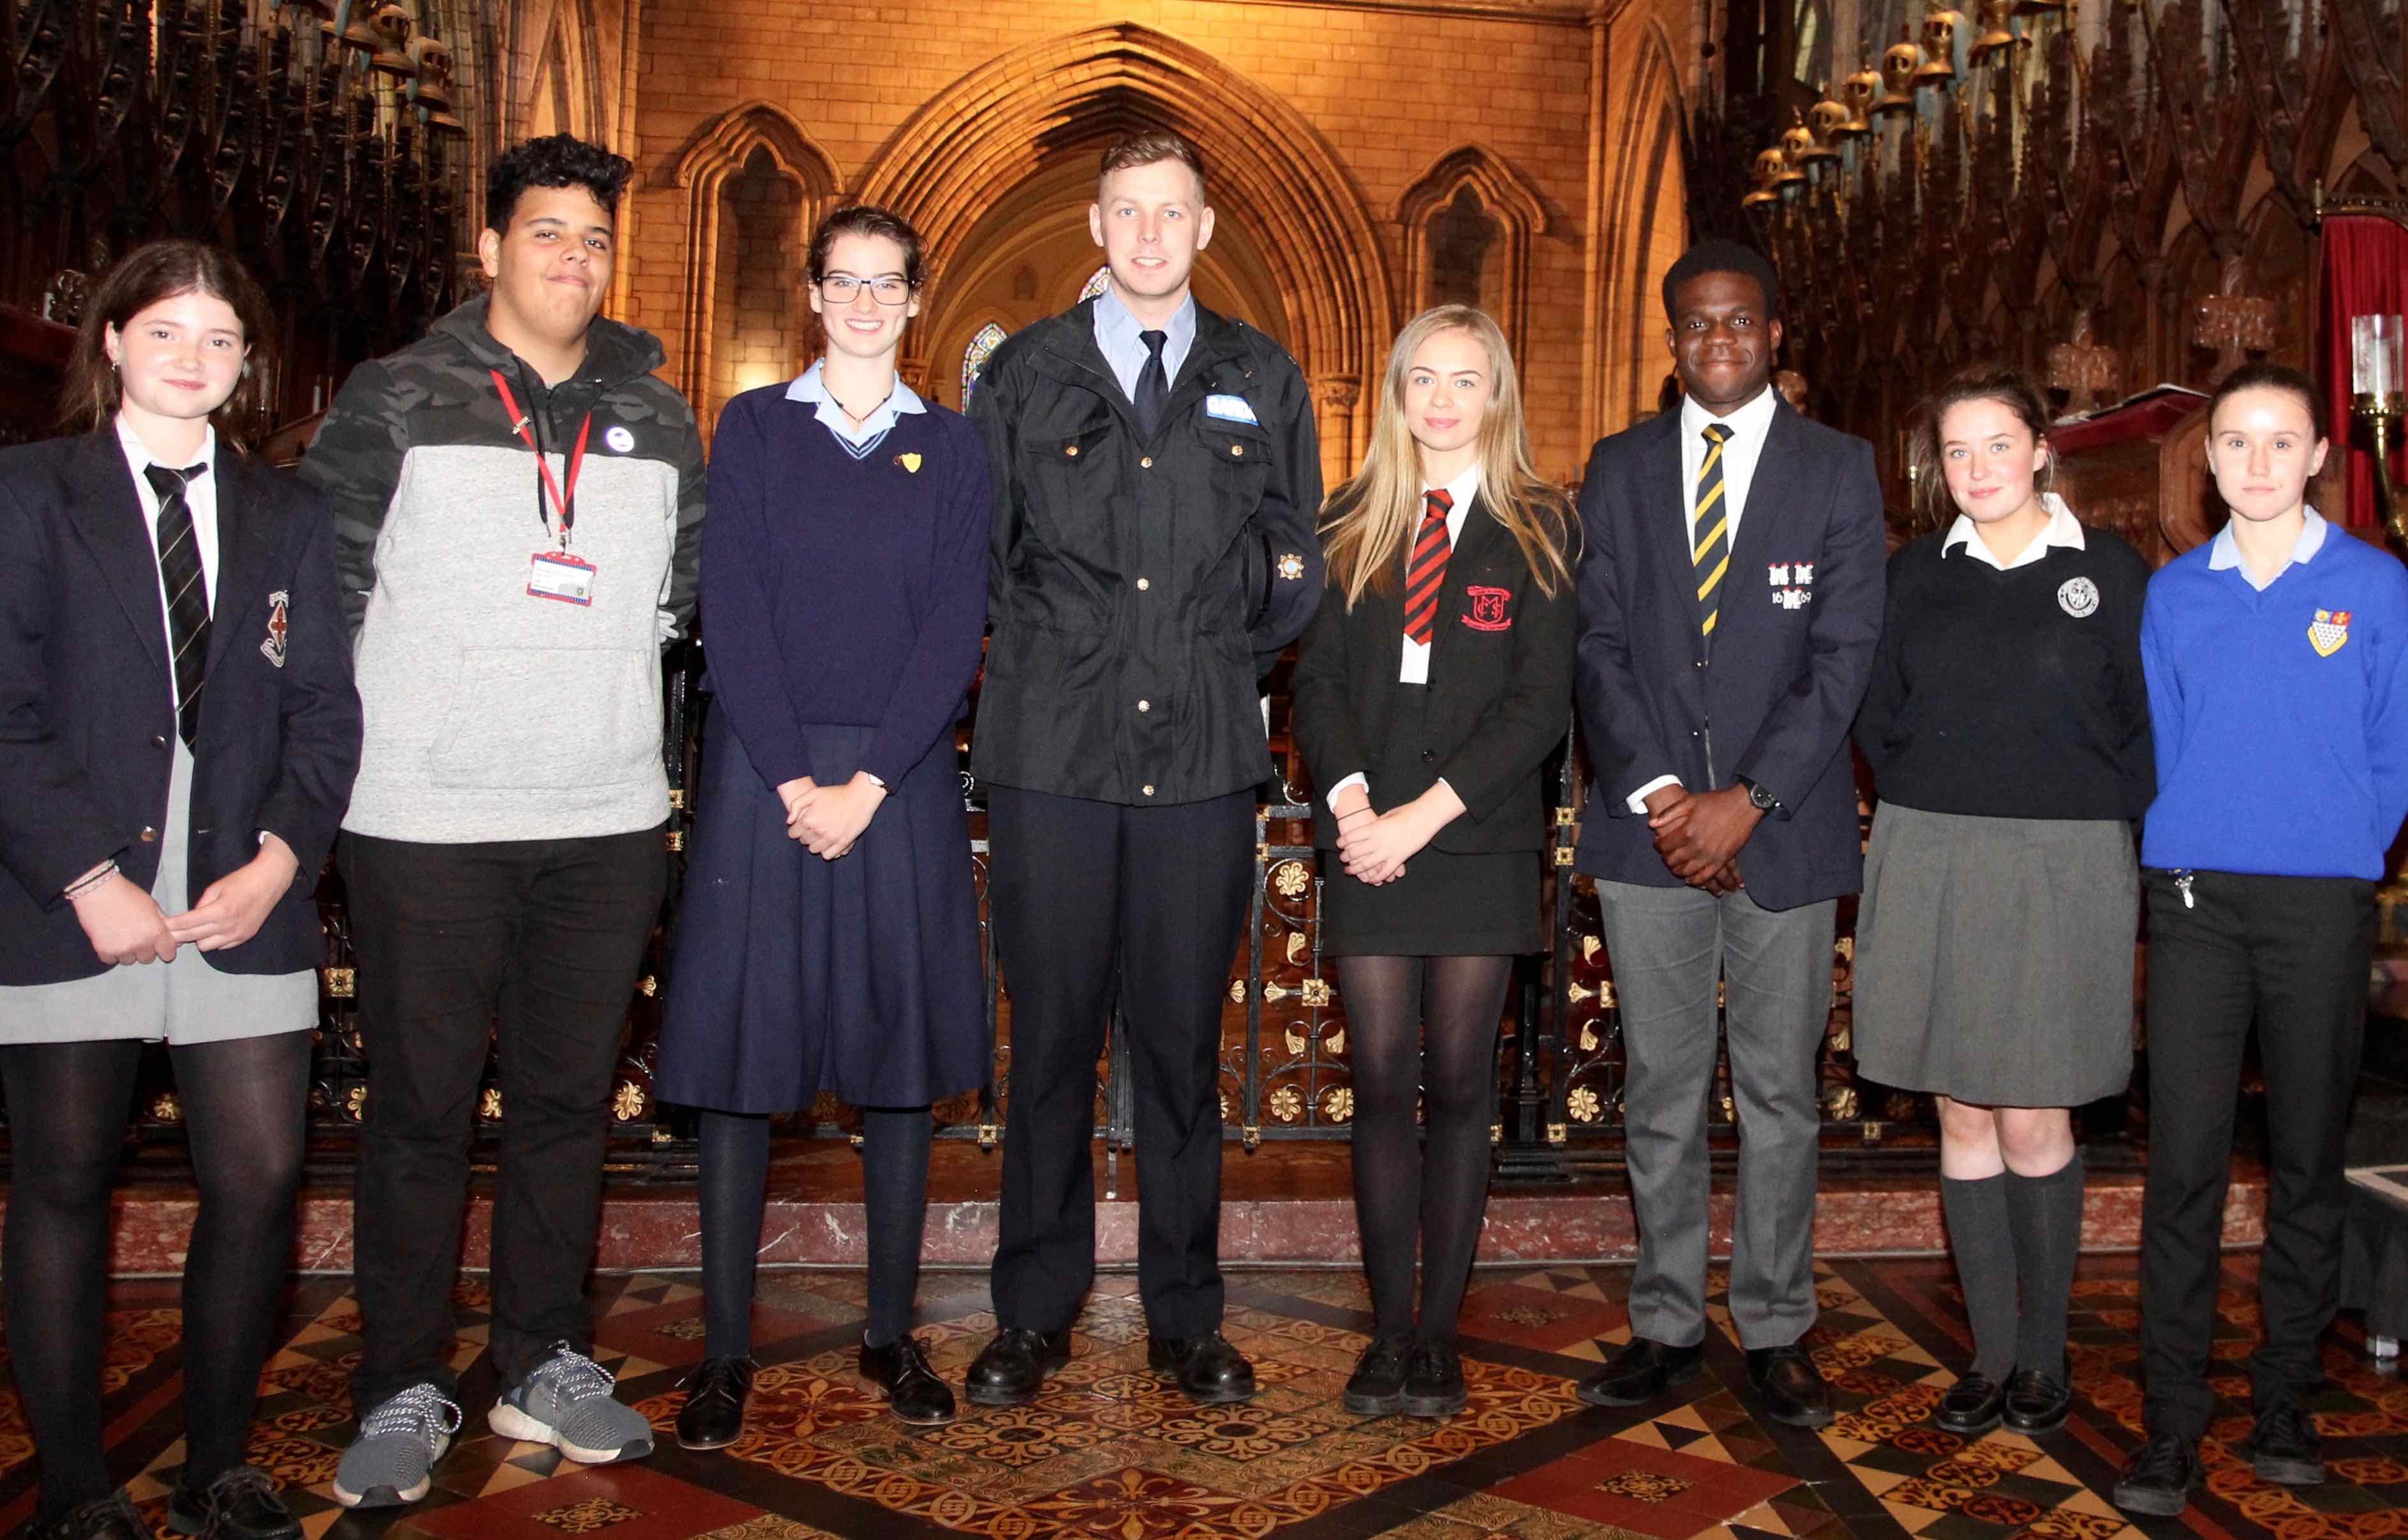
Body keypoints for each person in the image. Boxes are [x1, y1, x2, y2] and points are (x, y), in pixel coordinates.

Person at [298, 134, 708, 1505]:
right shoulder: (395, 395)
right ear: (490, 249)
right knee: (416, 1113)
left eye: (592, 239)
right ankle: (404, 1382)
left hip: (600, 814)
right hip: (424, 816)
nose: (572, 260)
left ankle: (544, 1352)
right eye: (546, 234)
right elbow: (327, 597)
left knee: (563, 1106)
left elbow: (684, 601)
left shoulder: (657, 412)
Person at [0, 240, 361, 1540]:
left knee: (260, 1176)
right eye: (166, 333)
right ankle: (80, 1489)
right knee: (62, 1178)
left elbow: (326, 710)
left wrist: (280, 862)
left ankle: (219, 1462)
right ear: (111, 343)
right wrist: (87, 876)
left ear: (245, 363)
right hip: (69, 885)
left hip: (238, 883)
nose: (193, 359)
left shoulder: (289, 512)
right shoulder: (31, 493)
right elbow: (6, 707)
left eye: (219, 339)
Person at [964, 130, 1323, 1409]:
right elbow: (983, 552)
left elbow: (1297, 560)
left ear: (1205, 228)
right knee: (1051, 1045)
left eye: (1173, 214)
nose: (1151, 235)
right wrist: (1067, 654)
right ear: (1098, 227)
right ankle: (1032, 1314)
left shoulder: (1260, 374)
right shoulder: (1023, 374)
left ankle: (1186, 1318)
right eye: (1129, 212)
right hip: (1054, 760)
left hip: (1205, 760)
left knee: (1180, 1051)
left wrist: (1221, 636)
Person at [656, 206, 991, 1443]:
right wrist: (798, 778)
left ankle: (892, 1335)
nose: (861, 300)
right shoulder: (751, 427)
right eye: (841, 279)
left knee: (898, 1067)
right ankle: (725, 1352)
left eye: (885, 282)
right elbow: (729, 606)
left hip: (894, 785)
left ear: (914, 300)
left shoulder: (952, 450)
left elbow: (957, 623)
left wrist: (871, 781)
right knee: (744, 1067)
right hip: (766, 772)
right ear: (812, 294)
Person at [1570, 238, 1884, 1429]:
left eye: (1739, 322)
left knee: (1778, 1093)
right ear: (1670, 341)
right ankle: (1662, 1318)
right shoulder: (1617, 467)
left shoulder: (1837, 469)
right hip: (1644, 832)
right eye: (1696, 325)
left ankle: (1776, 1324)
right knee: (1658, 1088)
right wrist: (1662, 793)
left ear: (1775, 333)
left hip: (1783, 834)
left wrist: (1745, 797)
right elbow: (1594, 642)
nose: (1718, 341)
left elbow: (1844, 653)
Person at [2112, 363, 2408, 1517]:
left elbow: (2392, 751)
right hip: (2194, 899)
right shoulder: (2177, 592)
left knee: (2303, 1160)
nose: (2254, 463)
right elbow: (2162, 743)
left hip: (2318, 904)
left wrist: (2338, 847)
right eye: (2233, 443)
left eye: (2277, 442)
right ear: (2209, 459)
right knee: (2180, 1164)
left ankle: (2283, 1395)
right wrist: (2191, 841)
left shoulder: (2375, 586)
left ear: (2318, 456)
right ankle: (2170, 1420)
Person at [1852, 366, 2152, 1439]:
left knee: (2034, 1109)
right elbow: (1876, 713)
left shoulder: (2108, 570)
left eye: (1996, 445)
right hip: (1932, 848)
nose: (1975, 468)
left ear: (2039, 450)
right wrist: (1934, 799)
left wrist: (2084, 816)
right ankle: (1985, 1353)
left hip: (2061, 858)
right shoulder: (1913, 577)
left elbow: (2142, 723)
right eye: (1956, 451)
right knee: (1961, 1109)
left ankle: (2043, 1350)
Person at [1289, 306, 1576, 1419]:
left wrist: (1424, 817)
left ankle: (1439, 1331)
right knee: (1376, 1083)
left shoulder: (1541, 526)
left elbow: (1537, 703)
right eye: (1424, 378)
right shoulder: (1349, 519)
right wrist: (1356, 801)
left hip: (1476, 836)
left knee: (1458, 1088)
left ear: (1497, 394)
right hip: (1366, 834)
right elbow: (1314, 681)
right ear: (1399, 394)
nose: (1444, 399)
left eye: (1467, 379)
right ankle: (1385, 1330)